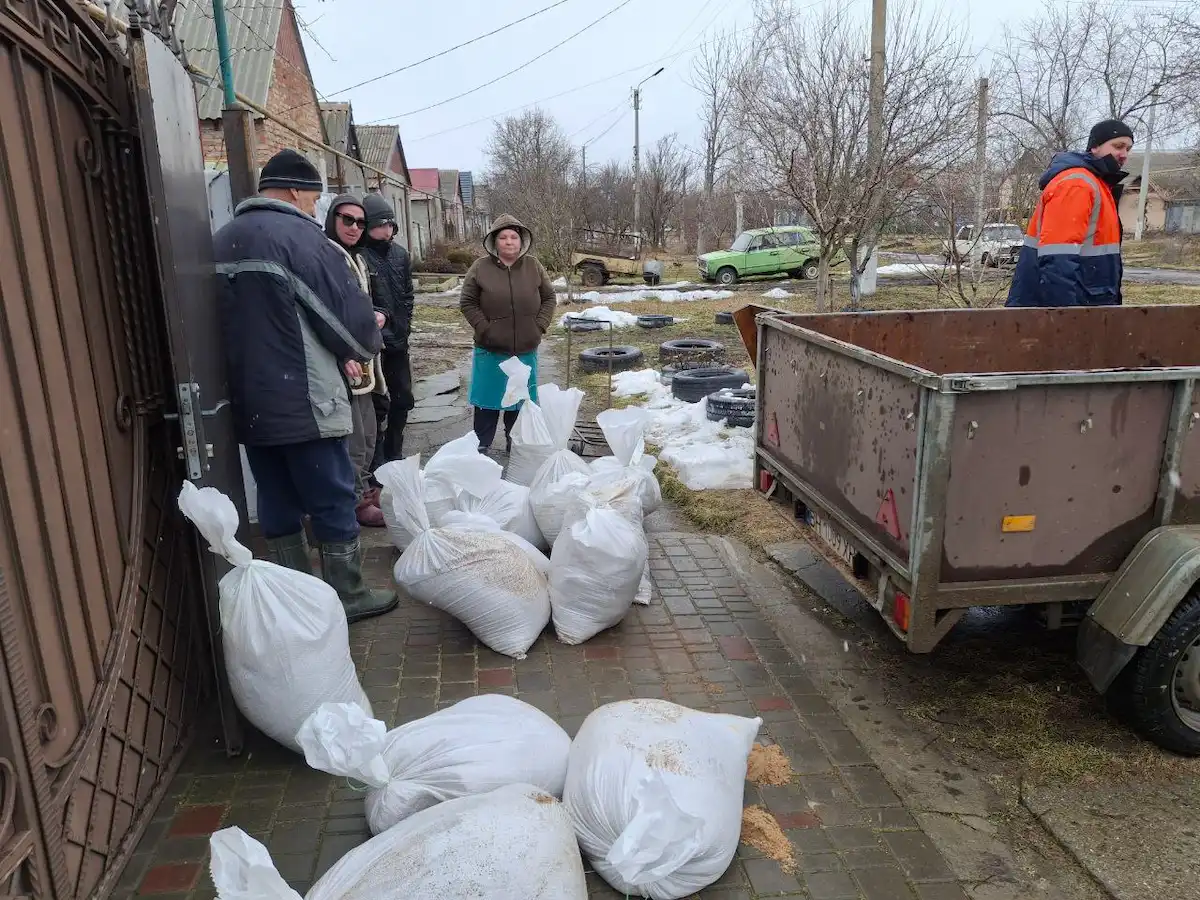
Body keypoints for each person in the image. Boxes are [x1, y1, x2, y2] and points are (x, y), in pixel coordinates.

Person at [212, 149, 396, 623]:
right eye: (315, 199)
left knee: (274, 493)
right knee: (331, 493)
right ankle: (348, 595)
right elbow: (345, 317)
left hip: (249, 400)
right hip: (305, 397)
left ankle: (293, 593)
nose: (316, 208)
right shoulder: (299, 239)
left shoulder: (222, 239)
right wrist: (364, 344)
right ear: (296, 191)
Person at [1007, 119, 1133, 308]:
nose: (1123, 154)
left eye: (1128, 149)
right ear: (1095, 147)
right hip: (1071, 308)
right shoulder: (1077, 185)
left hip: (1085, 304)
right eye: (1118, 146)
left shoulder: (1096, 184)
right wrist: (1066, 320)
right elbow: (1057, 258)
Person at [459, 214, 556, 453]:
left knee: (519, 404)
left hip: (525, 350)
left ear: (522, 241)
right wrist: (485, 328)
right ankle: (480, 451)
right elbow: (468, 302)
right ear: (494, 242)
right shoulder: (480, 267)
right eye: (503, 237)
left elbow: (549, 298)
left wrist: (539, 326)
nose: (509, 242)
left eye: (514, 237)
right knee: (488, 404)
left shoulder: (533, 266)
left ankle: (517, 449)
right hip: (490, 351)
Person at [323, 194, 387, 528]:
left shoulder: (357, 258)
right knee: (355, 440)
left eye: (360, 222)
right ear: (333, 219)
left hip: (366, 362)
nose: (354, 227)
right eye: (347, 220)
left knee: (370, 432)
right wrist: (343, 351)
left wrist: (380, 316)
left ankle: (364, 488)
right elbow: (325, 313)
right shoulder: (327, 257)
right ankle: (355, 503)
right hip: (345, 362)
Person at [359, 193, 416, 465]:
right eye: (380, 224)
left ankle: (395, 452)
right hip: (373, 346)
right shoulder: (359, 256)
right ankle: (376, 460)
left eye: (390, 224)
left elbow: (407, 295)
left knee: (403, 399)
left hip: (399, 342)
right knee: (377, 405)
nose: (386, 229)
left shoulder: (401, 255)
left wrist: (405, 325)